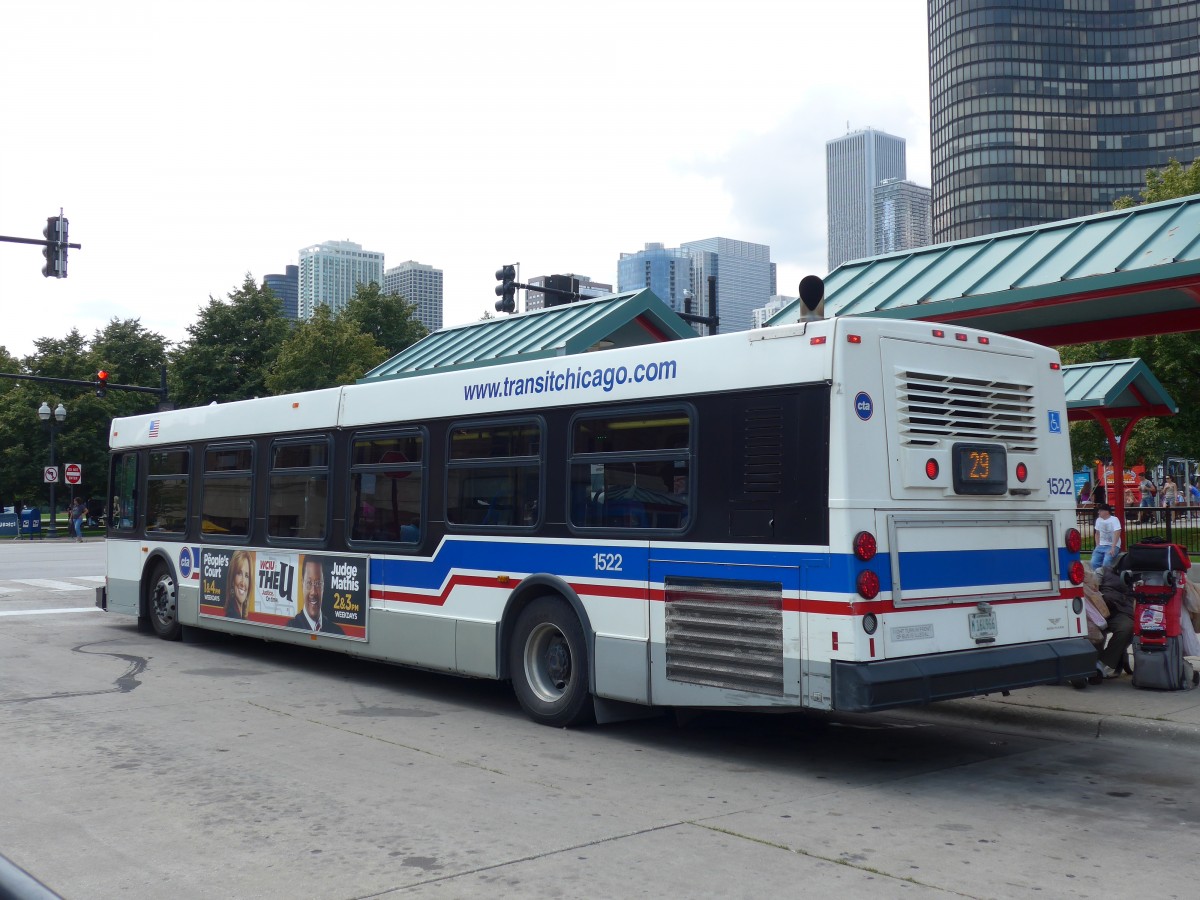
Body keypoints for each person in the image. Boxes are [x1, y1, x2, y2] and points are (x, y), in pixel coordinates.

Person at [1095, 555, 1135, 679]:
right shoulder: (1102, 571)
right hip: (1100, 610)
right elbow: (1093, 588)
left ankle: (1102, 663)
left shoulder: (1136, 577)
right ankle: (1091, 661)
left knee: (1127, 628)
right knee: (1093, 630)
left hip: (1121, 612)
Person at [287, 557, 344, 634]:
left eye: (318, 583)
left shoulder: (336, 631)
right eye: (309, 583)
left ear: (323, 585)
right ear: (302, 584)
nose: (313, 592)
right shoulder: (292, 627)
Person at [1091, 504, 1122, 570]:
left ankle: (1106, 577)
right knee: (1094, 562)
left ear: (1107, 511)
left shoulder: (1114, 519)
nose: (1098, 512)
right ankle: (1097, 576)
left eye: (1100, 510)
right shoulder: (1098, 520)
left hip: (1111, 546)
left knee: (1106, 562)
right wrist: (1097, 545)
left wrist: (1113, 547)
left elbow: (1117, 532)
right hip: (1101, 545)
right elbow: (1097, 533)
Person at [225, 549, 254, 619]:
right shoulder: (232, 616)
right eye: (239, 573)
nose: (243, 582)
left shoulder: (240, 616)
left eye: (247, 576)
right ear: (232, 579)